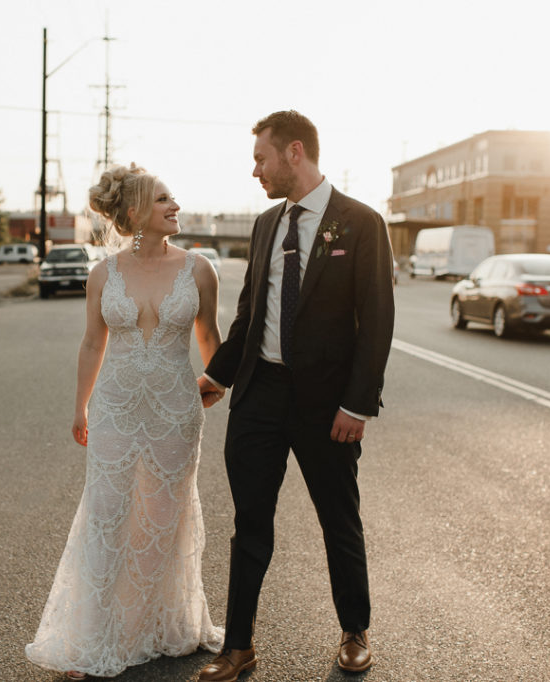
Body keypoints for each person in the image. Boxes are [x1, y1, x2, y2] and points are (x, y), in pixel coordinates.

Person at [197, 111, 395, 680]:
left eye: (261, 157)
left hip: (327, 406)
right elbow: (248, 315)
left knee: (339, 519)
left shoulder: (361, 223)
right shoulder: (264, 225)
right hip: (260, 398)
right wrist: (218, 375)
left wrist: (357, 405)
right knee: (250, 522)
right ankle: (238, 647)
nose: (254, 169)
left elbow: (377, 322)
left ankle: (355, 631)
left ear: (295, 153)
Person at [26, 164, 225, 679]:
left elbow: (210, 339)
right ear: (134, 213)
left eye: (173, 196)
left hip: (176, 413)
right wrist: (80, 406)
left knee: (162, 520)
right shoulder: (103, 273)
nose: (174, 205)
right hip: (114, 408)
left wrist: (219, 381)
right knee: (108, 516)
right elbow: (93, 342)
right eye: (163, 199)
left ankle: (153, 626)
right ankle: (94, 636)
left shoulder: (200, 269)